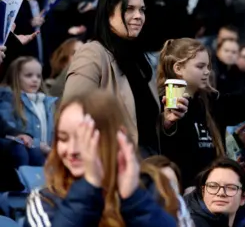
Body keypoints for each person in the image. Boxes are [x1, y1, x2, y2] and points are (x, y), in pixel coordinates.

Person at [25, 90, 191, 226]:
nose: (72, 150)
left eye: (84, 138)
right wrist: (88, 189)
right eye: (63, 138)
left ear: (117, 137)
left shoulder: (160, 190)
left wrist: (135, 200)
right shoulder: (45, 200)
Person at [157, 37, 245, 187]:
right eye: (200, 66)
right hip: (181, 196)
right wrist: (167, 123)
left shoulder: (212, 102)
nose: (207, 71)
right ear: (178, 68)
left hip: (213, 193)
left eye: (208, 66)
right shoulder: (160, 102)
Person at [64, 0, 166, 157]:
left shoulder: (141, 59)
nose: (138, 16)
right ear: (108, 12)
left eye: (142, 10)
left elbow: (144, 122)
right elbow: (73, 113)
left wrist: (168, 121)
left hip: (150, 161)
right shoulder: (92, 53)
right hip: (111, 163)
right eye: (129, 9)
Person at [0, 56, 56, 166]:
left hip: (47, 159)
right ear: (15, 77)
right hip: (27, 159)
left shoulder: (47, 103)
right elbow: (10, 134)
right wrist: (38, 145)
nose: (35, 79)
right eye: (28, 75)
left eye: (39, 76)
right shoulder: (9, 101)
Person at [185, 158, 245, 227]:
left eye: (230, 187)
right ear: (203, 191)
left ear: (243, 197)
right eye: (213, 186)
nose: (221, 193)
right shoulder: (188, 223)